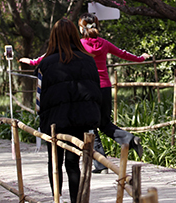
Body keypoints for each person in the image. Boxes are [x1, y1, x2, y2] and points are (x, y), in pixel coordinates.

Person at [37, 19, 101, 203]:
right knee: (73, 163)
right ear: (75, 35)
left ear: (53, 37)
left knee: (54, 162)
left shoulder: (45, 64)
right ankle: (76, 201)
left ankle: (56, 198)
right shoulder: (88, 61)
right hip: (80, 119)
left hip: (54, 122)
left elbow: (39, 98)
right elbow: (96, 90)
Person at [78, 13, 149, 173]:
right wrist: (140, 58)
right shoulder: (104, 43)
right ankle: (130, 140)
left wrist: (33, 62)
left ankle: (101, 164)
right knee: (104, 124)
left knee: (88, 126)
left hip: (89, 90)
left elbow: (54, 54)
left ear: (82, 28)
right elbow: (123, 54)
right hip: (104, 88)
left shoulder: (79, 44)